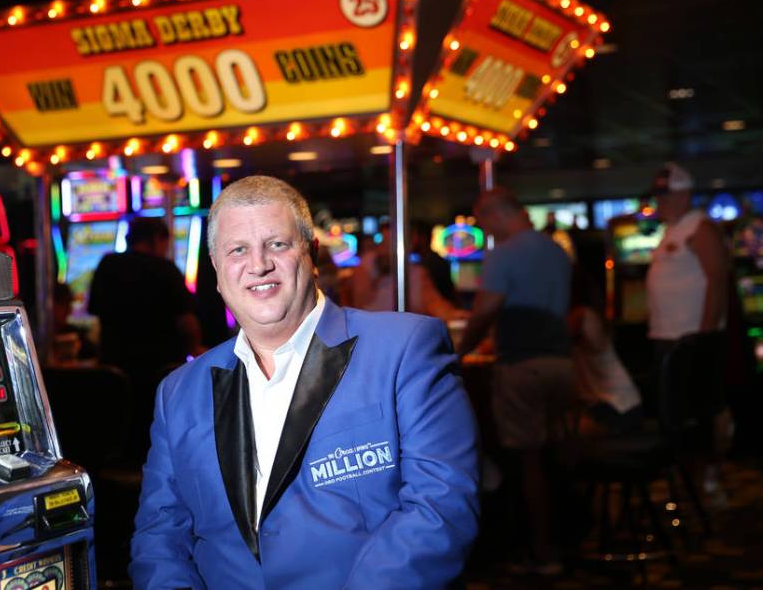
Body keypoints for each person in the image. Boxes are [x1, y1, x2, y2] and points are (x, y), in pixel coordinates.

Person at [130, 176, 479, 589]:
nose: (258, 265)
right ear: (218, 271)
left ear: (312, 254)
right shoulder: (178, 392)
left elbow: (440, 507)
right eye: (238, 250)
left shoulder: (405, 349)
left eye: (277, 244)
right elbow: (159, 535)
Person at [456, 187, 574, 573]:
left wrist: (455, 353)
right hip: (562, 363)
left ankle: (540, 551)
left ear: (497, 214)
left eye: (484, 221)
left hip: (523, 365)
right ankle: (567, 537)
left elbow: (485, 311)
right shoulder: (556, 250)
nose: (485, 231)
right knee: (557, 453)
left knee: (529, 461)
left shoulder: (505, 253)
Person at [645, 162, 730, 497]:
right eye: (659, 195)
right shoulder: (672, 229)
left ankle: (707, 480)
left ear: (685, 194)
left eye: (667, 194)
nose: (661, 201)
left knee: (700, 414)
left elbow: (717, 281)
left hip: (693, 338)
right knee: (675, 415)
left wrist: (705, 334)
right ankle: (685, 482)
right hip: (668, 337)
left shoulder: (700, 227)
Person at [87, 216, 203, 373]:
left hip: (114, 371)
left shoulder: (108, 264)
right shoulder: (165, 269)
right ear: (156, 238)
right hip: (160, 372)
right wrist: (195, 349)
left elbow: (94, 313)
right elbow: (187, 323)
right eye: (166, 244)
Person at [567, 270, 642, 435]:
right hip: (615, 404)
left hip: (618, 407)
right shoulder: (589, 315)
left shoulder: (583, 315)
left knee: (565, 435)